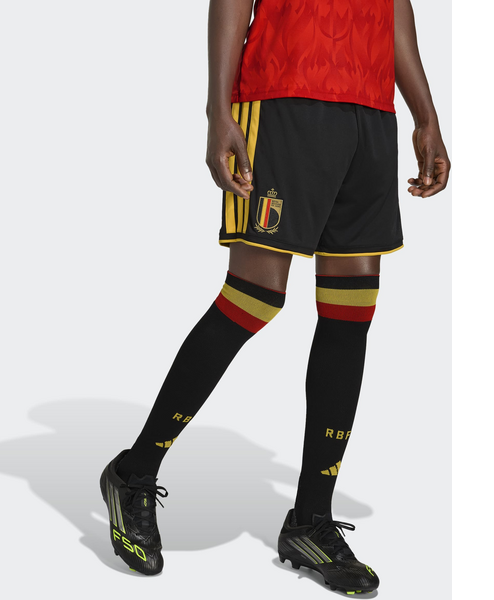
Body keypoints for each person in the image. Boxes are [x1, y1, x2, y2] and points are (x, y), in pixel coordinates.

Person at [100, 0, 450, 593]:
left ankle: (311, 520)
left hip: (370, 109)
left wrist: (426, 115)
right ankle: (133, 472)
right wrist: (218, 110)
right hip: (284, 96)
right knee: (254, 298)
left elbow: (393, 9)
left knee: (351, 315)